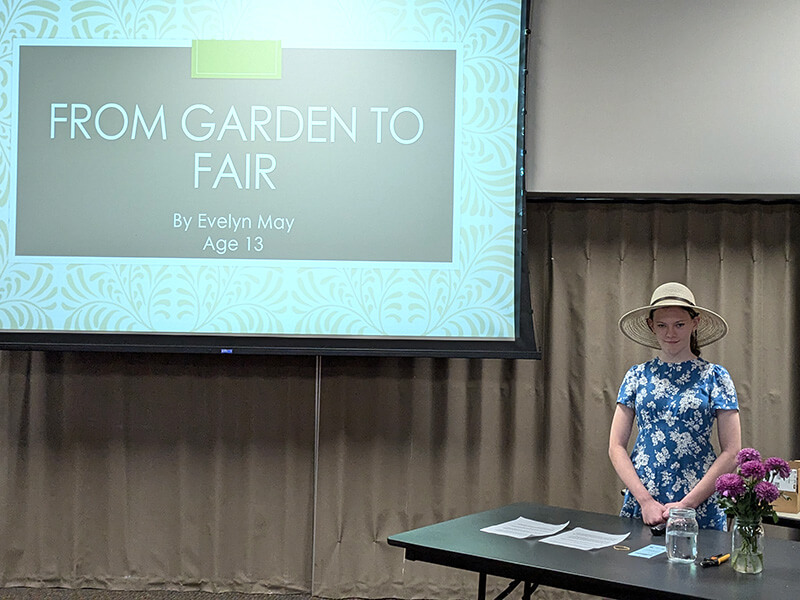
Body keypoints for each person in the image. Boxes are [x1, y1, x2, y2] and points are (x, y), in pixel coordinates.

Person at [608, 282, 742, 530]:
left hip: (700, 500)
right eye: (662, 325)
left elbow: (732, 452)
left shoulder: (716, 377)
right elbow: (616, 447)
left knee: (701, 567)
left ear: (695, 323)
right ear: (651, 326)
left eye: (679, 324)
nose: (670, 333)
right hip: (645, 499)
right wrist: (645, 500)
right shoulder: (636, 376)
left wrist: (688, 504)